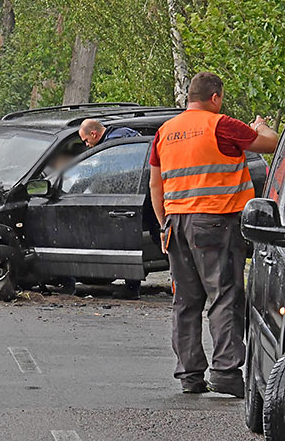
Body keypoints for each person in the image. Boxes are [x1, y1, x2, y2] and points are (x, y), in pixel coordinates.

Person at [149, 71, 278, 397]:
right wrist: (261, 128)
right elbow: (275, 145)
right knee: (225, 296)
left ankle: (189, 375)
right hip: (216, 223)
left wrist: (165, 222)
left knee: (186, 301)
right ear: (215, 97)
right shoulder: (221, 124)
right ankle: (225, 372)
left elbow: (155, 184)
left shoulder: (165, 131)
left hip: (176, 224)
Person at [78, 118, 143, 299]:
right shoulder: (121, 134)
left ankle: (132, 288)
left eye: (86, 140)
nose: (87, 145)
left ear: (94, 133)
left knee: (128, 241)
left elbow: (106, 175)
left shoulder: (113, 146)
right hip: (139, 196)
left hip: (128, 199)